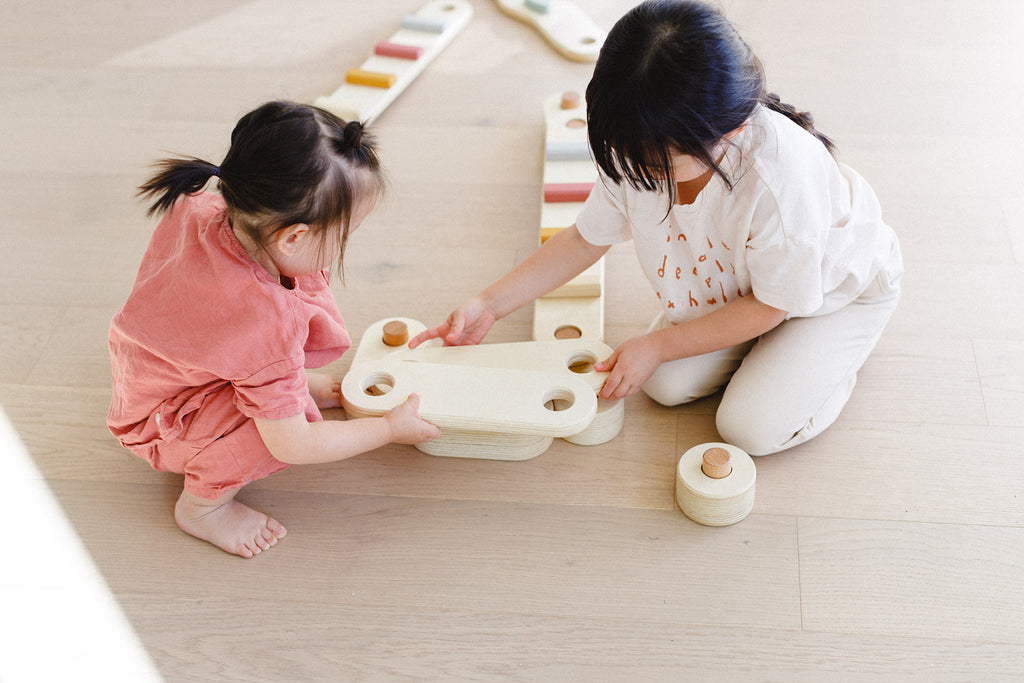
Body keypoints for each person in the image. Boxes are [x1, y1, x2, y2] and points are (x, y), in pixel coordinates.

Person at [410, 0, 902, 456]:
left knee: (748, 429)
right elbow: (585, 238)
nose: (639, 173)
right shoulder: (639, 140)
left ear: (729, 132)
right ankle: (770, 359)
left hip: (834, 295)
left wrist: (659, 344)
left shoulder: (782, 184)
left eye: (659, 162)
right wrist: (490, 304)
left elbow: (773, 305)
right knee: (662, 386)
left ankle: (842, 352)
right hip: (750, 292)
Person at [108, 101, 440, 558]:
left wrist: (289, 379)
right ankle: (203, 508)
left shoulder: (204, 203)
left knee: (279, 384)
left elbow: (224, 335)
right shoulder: (268, 323)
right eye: (346, 234)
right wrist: (387, 430)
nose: (346, 245)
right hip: (165, 423)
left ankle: (279, 390)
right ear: (293, 237)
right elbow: (296, 445)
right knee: (278, 434)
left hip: (150, 375)